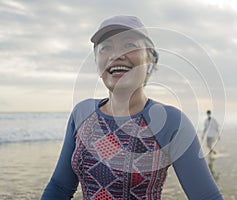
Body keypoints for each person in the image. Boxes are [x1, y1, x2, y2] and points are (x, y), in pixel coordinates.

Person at [41, 15, 223, 200]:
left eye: (129, 45)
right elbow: (59, 187)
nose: (116, 55)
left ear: (150, 61)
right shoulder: (82, 113)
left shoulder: (171, 121)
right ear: (97, 63)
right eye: (106, 48)